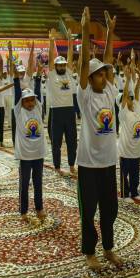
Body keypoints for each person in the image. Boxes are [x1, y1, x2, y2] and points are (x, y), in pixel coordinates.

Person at [76, 7, 123, 270]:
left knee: (110, 210)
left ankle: (108, 248)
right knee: (88, 212)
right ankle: (89, 252)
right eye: (99, 74)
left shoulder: (109, 91)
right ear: (90, 78)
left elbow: (109, 60)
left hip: (108, 163)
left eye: (105, 74)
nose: (104, 77)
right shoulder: (85, 96)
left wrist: (110, 34)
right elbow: (84, 62)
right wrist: (84, 31)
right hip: (88, 165)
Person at [12, 44, 46, 224]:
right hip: (25, 155)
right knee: (24, 184)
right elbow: (18, 93)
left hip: (38, 153)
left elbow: (38, 89)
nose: (30, 102)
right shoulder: (19, 110)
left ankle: (39, 207)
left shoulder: (38, 107)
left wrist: (39, 74)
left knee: (38, 183)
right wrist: (16, 78)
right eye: (27, 100)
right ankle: (24, 210)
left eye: (32, 99)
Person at [47, 28, 78, 177]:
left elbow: (71, 57)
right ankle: (57, 166)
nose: (61, 67)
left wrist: (71, 43)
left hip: (69, 111)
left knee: (72, 140)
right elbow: (50, 59)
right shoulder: (52, 75)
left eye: (63, 65)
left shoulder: (69, 73)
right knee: (56, 142)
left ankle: (72, 165)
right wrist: (51, 41)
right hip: (57, 111)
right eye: (59, 65)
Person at [118, 63, 140, 202]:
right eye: (128, 98)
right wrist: (128, 79)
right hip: (125, 149)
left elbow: (136, 92)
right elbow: (126, 94)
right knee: (124, 173)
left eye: (131, 98)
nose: (131, 99)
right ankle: (124, 194)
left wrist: (138, 79)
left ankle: (134, 192)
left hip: (135, 149)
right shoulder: (123, 112)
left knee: (135, 174)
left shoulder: (136, 110)